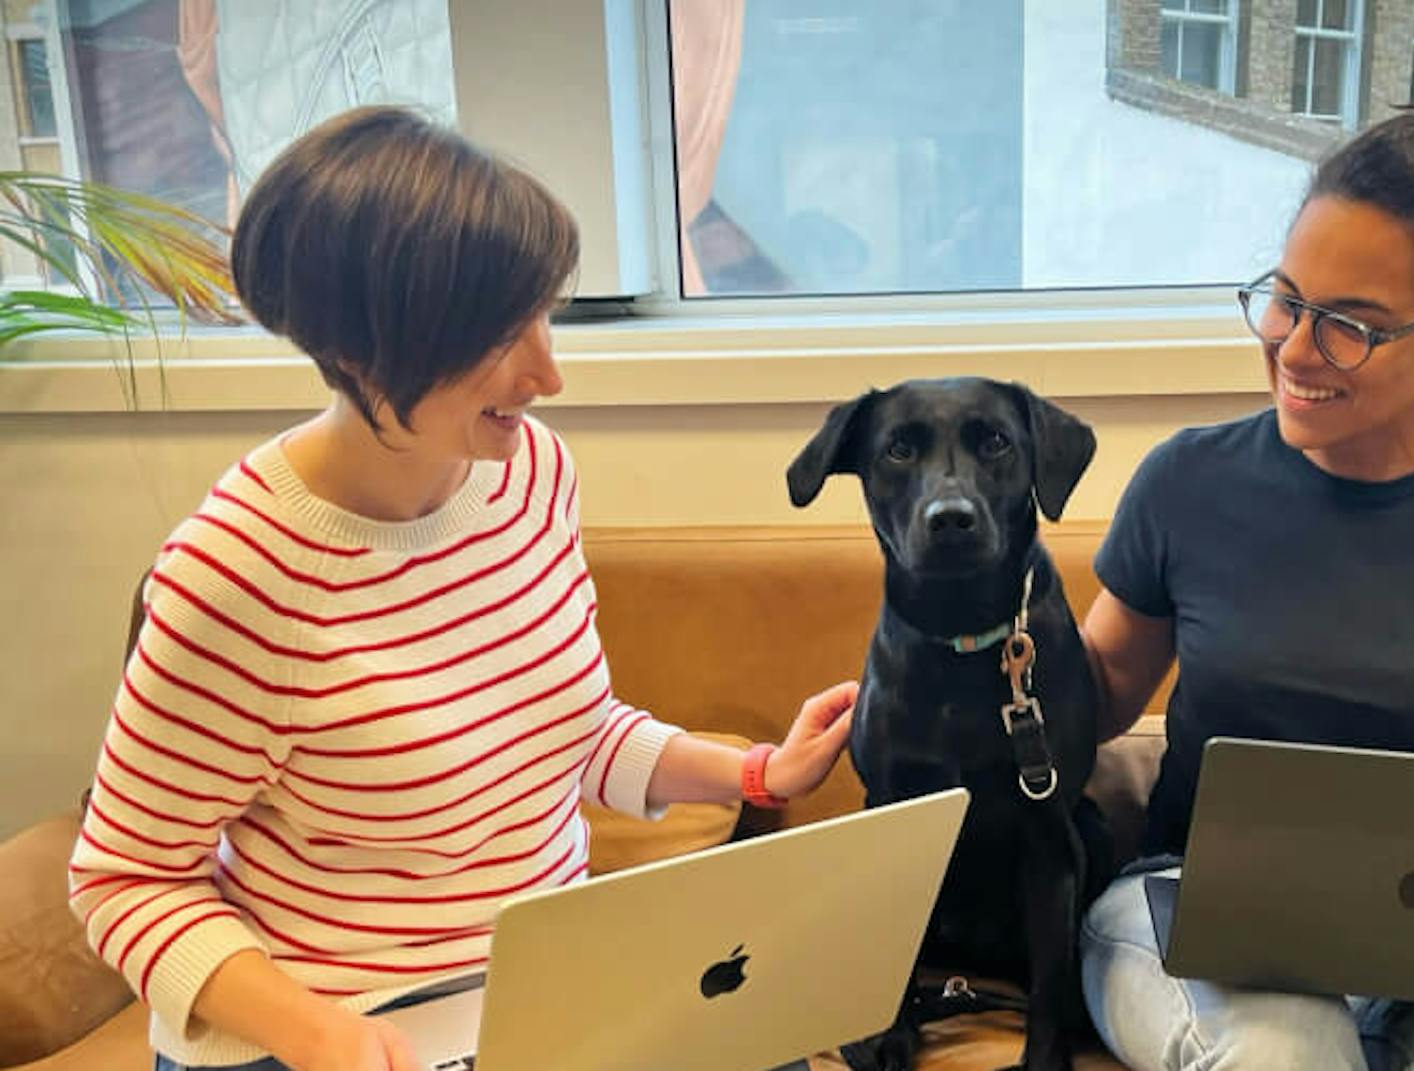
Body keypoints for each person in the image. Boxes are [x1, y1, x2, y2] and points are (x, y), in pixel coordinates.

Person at [67, 106, 857, 1071]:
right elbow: (125, 880)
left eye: (543, 315)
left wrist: (754, 773)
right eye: (498, 335)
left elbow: (571, 732)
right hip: (331, 1024)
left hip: (532, 993)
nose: (547, 372)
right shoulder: (237, 576)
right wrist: (329, 1038)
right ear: (362, 349)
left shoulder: (530, 477)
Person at [1076, 87, 1414, 1071]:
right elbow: (1095, 696)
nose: (1293, 348)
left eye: (1351, 325)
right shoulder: (1189, 482)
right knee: (1284, 1052)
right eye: (1286, 298)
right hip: (1190, 902)